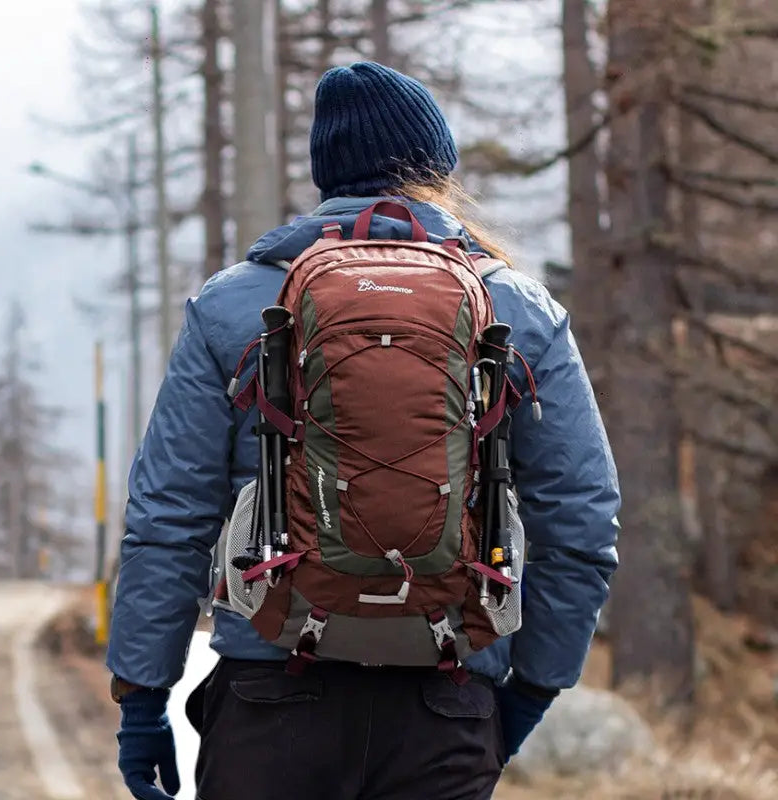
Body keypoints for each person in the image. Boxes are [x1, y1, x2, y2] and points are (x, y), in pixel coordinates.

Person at [108, 61, 620, 800]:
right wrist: (529, 692)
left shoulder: (234, 304)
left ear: (327, 173)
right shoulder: (515, 308)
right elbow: (582, 519)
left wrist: (142, 696)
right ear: (436, 170)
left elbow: (169, 514)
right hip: (443, 705)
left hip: (270, 701)